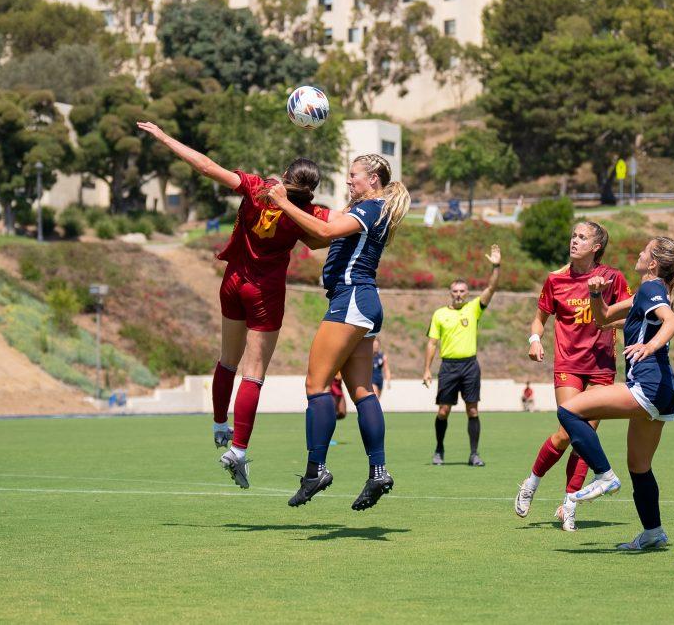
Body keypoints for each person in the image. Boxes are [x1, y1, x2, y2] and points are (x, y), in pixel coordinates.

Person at [137, 121, 332, 490]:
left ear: (286, 173)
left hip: (232, 283)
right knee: (254, 372)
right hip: (265, 292)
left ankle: (217, 424)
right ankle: (238, 451)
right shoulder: (308, 211)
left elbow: (206, 167)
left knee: (227, 359)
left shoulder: (258, 188)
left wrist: (165, 138)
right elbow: (323, 238)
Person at [264, 154, 410, 510]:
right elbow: (320, 232)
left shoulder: (371, 208)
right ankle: (378, 471)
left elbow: (326, 231)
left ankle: (316, 470)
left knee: (316, 386)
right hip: (363, 302)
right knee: (361, 391)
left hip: (352, 299)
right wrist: (291, 203)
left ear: (373, 178)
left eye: (353, 176)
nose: (349, 182)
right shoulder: (370, 208)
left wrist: (282, 201)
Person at [554, 237, 674, 551]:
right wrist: (593, 293)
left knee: (570, 410)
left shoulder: (650, 287)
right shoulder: (647, 292)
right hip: (664, 390)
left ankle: (603, 476)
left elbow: (673, 322)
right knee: (639, 467)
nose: (639, 253)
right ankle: (653, 532)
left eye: (644, 250)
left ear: (654, 263)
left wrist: (650, 345)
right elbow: (602, 317)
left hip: (648, 385)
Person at [514, 222, 631, 531]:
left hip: (602, 366)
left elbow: (630, 316)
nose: (574, 241)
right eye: (573, 236)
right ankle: (531, 482)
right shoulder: (556, 280)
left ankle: (569, 505)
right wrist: (534, 339)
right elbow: (539, 318)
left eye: (582, 237)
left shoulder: (612, 278)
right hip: (568, 363)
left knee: (584, 441)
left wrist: (612, 324)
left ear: (596, 246)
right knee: (567, 432)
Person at [423, 255, 502, 467]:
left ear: (467, 294)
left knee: (473, 410)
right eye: (455, 291)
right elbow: (432, 343)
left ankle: (474, 454)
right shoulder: (439, 314)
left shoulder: (474, 308)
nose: (459, 294)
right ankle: (439, 449)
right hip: (448, 366)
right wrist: (427, 370)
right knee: (443, 411)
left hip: (470, 366)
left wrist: (496, 265)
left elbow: (492, 288)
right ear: (451, 293)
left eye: (462, 291)